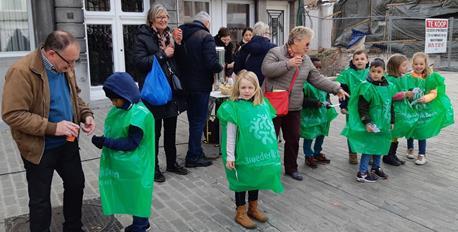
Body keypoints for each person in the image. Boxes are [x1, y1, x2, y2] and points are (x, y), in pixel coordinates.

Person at [1, 30, 95, 231]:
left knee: (76, 185)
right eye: (68, 62)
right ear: (51, 53)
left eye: (74, 62)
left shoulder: (63, 66)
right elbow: (13, 114)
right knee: (40, 200)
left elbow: (74, 97)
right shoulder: (21, 72)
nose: (71, 67)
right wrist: (53, 128)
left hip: (68, 143)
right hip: (39, 149)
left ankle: (73, 227)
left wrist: (85, 114)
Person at [261, 26, 348, 181]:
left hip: (294, 105)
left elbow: (316, 78)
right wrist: (288, 63)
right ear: (296, 40)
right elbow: (266, 70)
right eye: (307, 44)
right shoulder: (275, 52)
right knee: (269, 138)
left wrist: (336, 89)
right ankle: (266, 169)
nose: (309, 47)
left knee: (293, 138)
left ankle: (291, 168)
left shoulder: (306, 60)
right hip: (273, 105)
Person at [217, 70, 283, 229]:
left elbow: (268, 129)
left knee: (256, 178)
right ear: (237, 88)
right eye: (243, 87)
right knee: (242, 181)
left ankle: (253, 208)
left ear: (256, 89)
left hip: (258, 154)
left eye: (250, 88)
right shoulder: (233, 108)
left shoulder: (262, 105)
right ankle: (240, 212)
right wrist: (230, 156)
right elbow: (231, 135)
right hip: (241, 154)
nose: (246, 91)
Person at [91, 72, 155, 232]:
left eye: (114, 99)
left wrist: (105, 142)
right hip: (131, 165)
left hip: (138, 165)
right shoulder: (126, 108)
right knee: (134, 194)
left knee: (138, 194)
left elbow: (131, 143)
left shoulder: (139, 114)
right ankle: (141, 223)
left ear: (124, 95)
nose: (113, 103)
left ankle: (140, 226)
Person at [133, 3, 188, 182]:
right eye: (160, 17)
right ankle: (154, 167)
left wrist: (178, 44)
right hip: (154, 92)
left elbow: (181, 59)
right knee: (154, 133)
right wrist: (163, 54)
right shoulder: (142, 37)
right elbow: (139, 62)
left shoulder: (170, 35)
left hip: (170, 90)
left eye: (165, 17)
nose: (164, 20)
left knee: (171, 130)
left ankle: (171, 163)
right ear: (151, 19)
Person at [176, 11, 223, 167]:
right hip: (200, 86)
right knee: (199, 121)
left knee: (193, 121)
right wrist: (220, 66)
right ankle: (193, 156)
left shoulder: (181, 33)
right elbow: (211, 63)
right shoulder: (205, 36)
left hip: (185, 85)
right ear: (206, 23)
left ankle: (196, 151)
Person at [342, 59, 394, 183]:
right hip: (372, 123)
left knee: (380, 145)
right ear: (369, 71)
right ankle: (363, 172)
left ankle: (376, 167)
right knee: (368, 147)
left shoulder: (389, 87)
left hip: (384, 123)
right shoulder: (367, 87)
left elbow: (390, 105)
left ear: (384, 72)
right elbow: (362, 108)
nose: (375, 74)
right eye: (373, 71)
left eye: (379, 71)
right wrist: (367, 122)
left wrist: (392, 120)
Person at [403, 52, 454, 165]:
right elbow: (404, 89)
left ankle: (422, 154)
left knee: (422, 131)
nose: (418, 66)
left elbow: (434, 92)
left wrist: (426, 98)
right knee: (410, 127)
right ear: (412, 64)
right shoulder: (408, 77)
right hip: (411, 107)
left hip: (424, 108)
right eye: (416, 64)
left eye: (421, 64)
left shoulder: (430, 78)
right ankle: (410, 148)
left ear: (425, 64)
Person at [301, 57, 338, 168]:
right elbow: (301, 100)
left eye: (319, 67)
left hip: (322, 113)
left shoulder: (322, 81)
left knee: (321, 133)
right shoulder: (303, 82)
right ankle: (308, 155)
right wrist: (315, 103)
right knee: (309, 135)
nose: (317, 69)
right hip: (310, 114)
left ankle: (317, 152)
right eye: (315, 67)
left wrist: (328, 102)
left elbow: (327, 94)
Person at [336, 49, 369, 164]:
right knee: (352, 130)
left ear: (367, 60)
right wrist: (342, 106)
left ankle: (368, 152)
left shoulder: (372, 72)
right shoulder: (348, 74)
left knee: (367, 129)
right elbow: (343, 91)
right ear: (353, 61)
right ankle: (352, 153)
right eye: (357, 59)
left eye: (362, 59)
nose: (359, 61)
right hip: (352, 108)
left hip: (368, 107)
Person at [383, 54, 416, 166]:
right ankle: (388, 155)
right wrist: (405, 94)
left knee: (396, 133)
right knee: (393, 133)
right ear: (396, 67)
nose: (406, 67)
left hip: (402, 110)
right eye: (404, 65)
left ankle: (393, 154)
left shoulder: (402, 77)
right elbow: (392, 95)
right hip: (394, 111)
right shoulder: (390, 79)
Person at [234, 21, 275, 85]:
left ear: (254, 33)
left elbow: (237, 69)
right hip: (268, 84)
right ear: (265, 34)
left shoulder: (245, 48)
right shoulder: (273, 48)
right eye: (269, 33)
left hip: (249, 85)